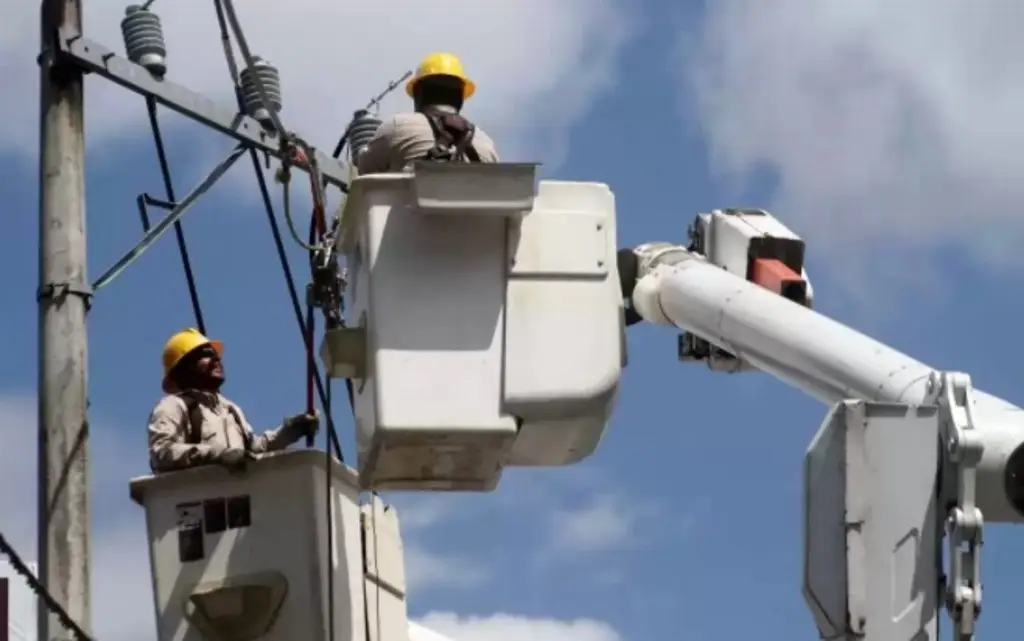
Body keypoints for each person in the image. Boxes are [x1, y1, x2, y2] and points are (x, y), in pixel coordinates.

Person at [147, 328, 320, 473]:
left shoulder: (230, 410)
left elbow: (255, 449)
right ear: (184, 369)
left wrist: (291, 430)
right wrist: (218, 455)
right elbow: (162, 453)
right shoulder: (173, 406)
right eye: (206, 355)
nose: (217, 359)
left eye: (216, 355)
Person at [355, 52, 499, 174]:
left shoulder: (397, 126)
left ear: (419, 93)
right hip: (473, 208)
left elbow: (364, 172)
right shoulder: (486, 144)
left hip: (409, 208)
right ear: (461, 97)